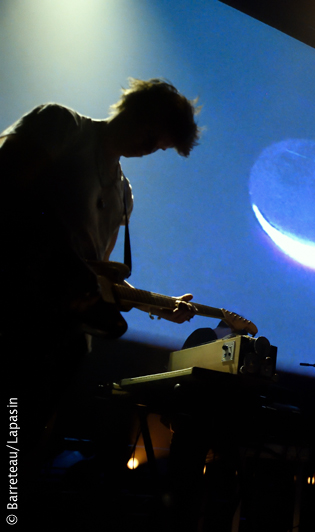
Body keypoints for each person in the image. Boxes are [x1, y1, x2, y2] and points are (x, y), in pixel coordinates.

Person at [0, 78, 201, 461]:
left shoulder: (123, 194)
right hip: (14, 307)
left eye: (159, 147)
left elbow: (98, 275)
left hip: (63, 334)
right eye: (153, 134)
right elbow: (7, 186)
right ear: (135, 107)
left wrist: (156, 304)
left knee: (23, 445)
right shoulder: (62, 125)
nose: (149, 148)